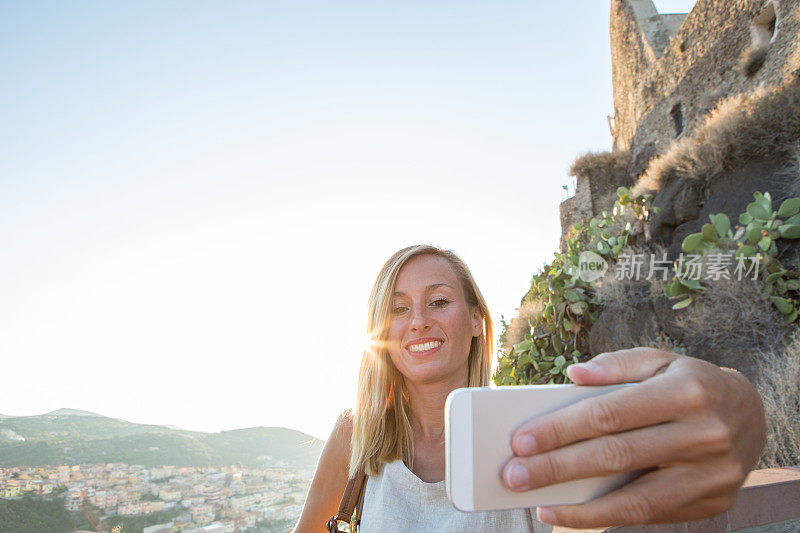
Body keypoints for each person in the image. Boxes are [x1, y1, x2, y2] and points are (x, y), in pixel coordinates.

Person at [293, 244, 766, 531]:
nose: (418, 321)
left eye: (438, 301)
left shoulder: (527, 429)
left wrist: (738, 401)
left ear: (477, 320)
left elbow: (660, 460)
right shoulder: (355, 436)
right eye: (398, 309)